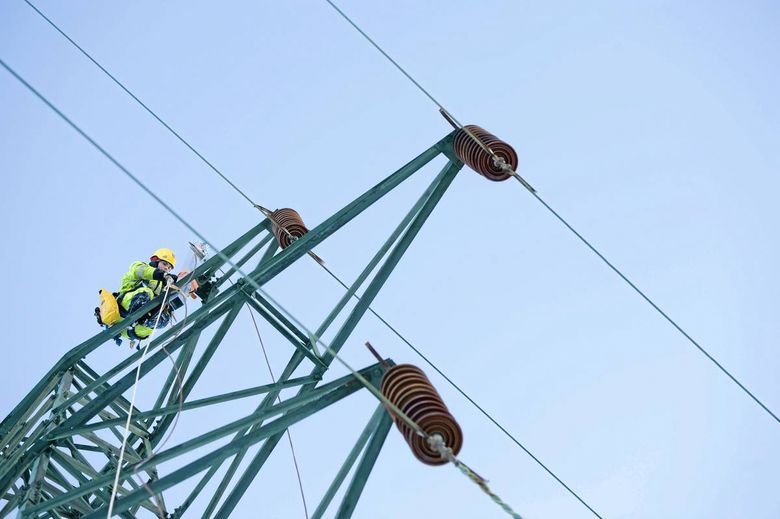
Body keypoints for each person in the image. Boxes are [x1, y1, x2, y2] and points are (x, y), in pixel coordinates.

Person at [115, 248, 179, 343]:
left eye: (169, 267)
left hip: (133, 330)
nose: (167, 268)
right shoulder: (139, 266)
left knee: (165, 314)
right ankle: (137, 315)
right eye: (164, 264)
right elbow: (143, 271)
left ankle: (142, 320)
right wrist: (163, 275)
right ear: (155, 261)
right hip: (124, 309)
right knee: (147, 292)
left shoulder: (163, 287)